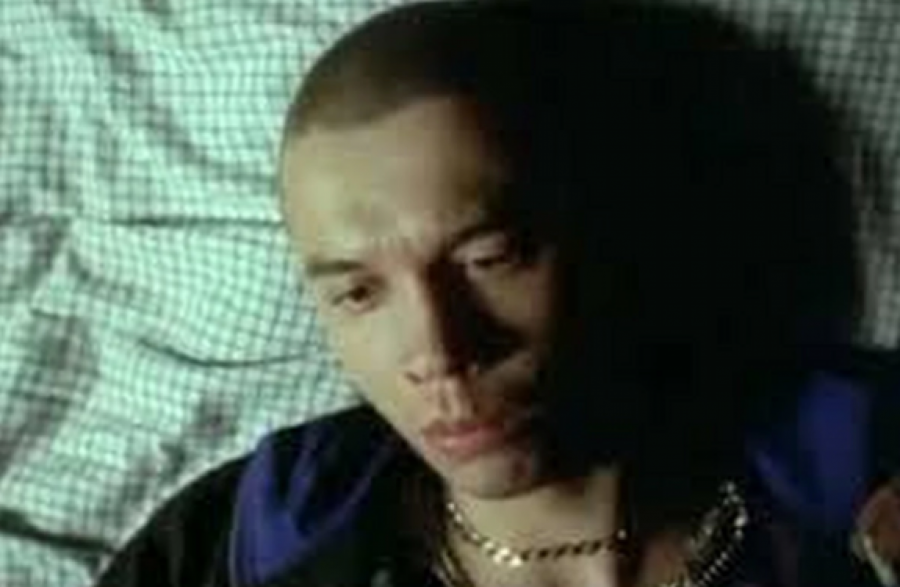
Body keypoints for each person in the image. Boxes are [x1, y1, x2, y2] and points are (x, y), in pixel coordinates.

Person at [95, 2, 900, 586]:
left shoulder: (856, 452)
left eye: (490, 257)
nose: (438, 351)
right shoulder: (257, 534)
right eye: (359, 293)